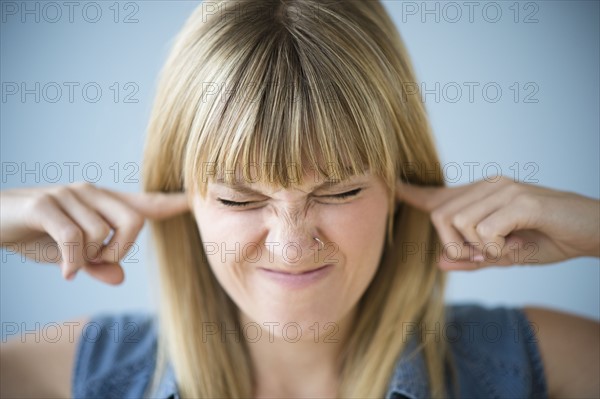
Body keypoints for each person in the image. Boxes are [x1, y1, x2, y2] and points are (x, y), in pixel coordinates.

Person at [1, 0, 598, 398]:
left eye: (339, 190)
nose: (290, 244)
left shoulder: (528, 362)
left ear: (397, 187)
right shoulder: (83, 372)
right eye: (238, 199)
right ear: (181, 196)